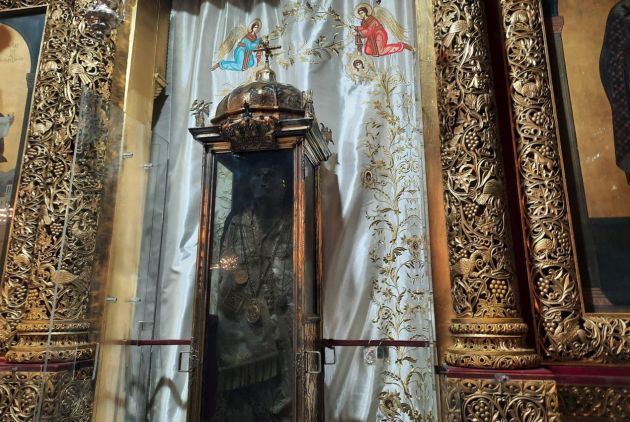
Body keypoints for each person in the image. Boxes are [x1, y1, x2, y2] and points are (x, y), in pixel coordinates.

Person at [214, 163, 294, 421]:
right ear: (249, 183)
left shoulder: (292, 223)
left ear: (284, 184)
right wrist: (244, 303)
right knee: (241, 401)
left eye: (270, 174)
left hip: (280, 320)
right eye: (258, 175)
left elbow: (297, 273)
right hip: (240, 319)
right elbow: (225, 272)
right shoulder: (237, 223)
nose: (263, 180)